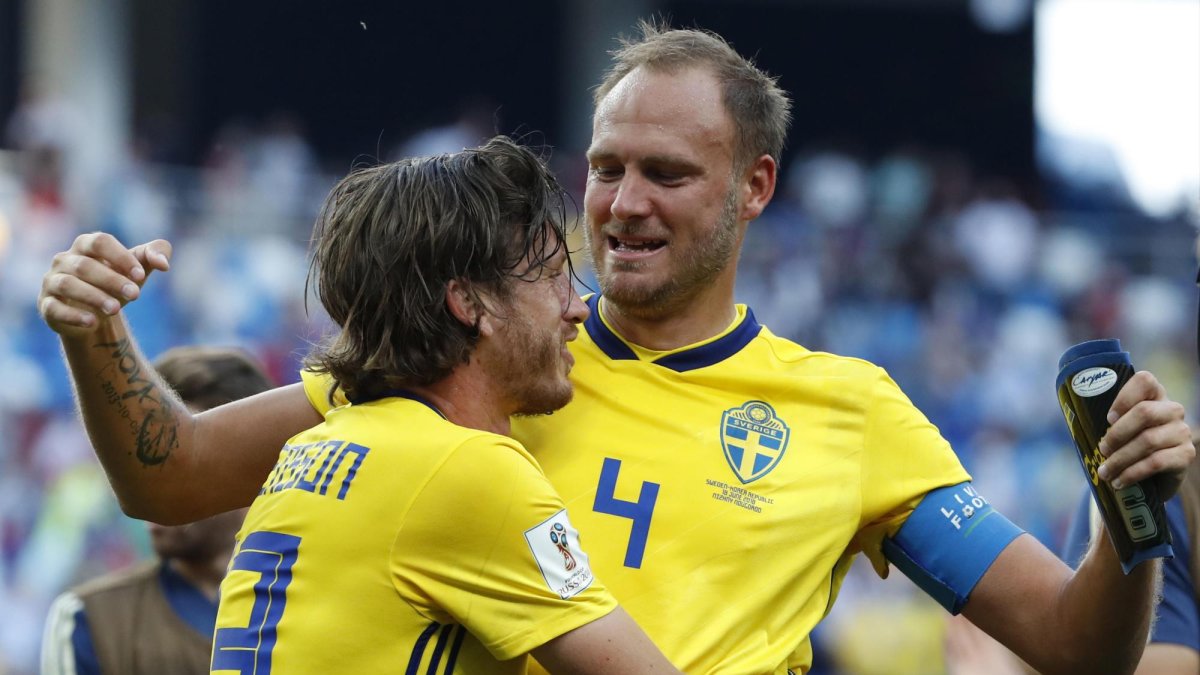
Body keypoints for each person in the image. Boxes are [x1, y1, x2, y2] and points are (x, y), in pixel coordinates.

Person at [38, 21, 1194, 675]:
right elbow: (169, 475)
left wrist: (1125, 518)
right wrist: (96, 335)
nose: (623, 203)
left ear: (755, 188)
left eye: (667, 173)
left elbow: (1074, 648)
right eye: (604, 167)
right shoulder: (473, 357)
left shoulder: (851, 413)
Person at [40, 346, 274, 675]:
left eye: (173, 461)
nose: (148, 485)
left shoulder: (317, 602)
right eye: (140, 465)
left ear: (247, 463)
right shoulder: (90, 620)